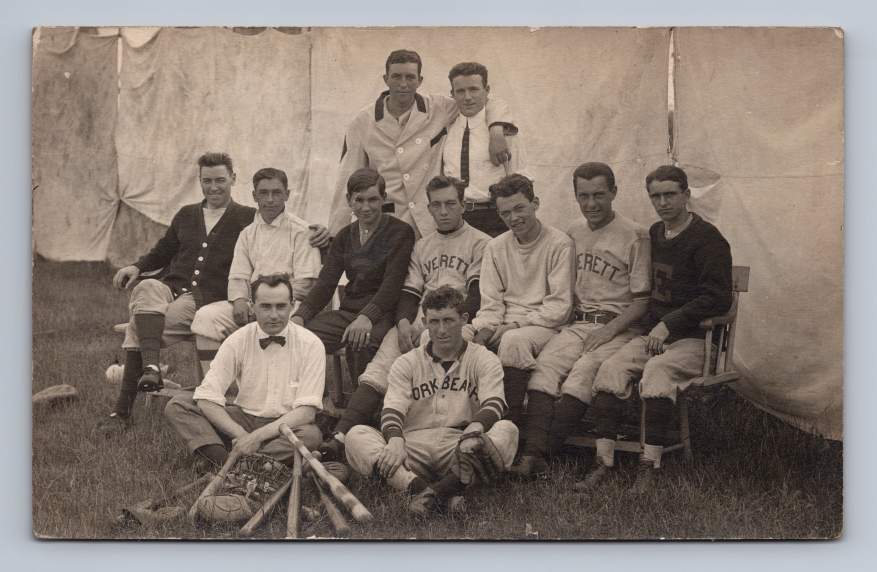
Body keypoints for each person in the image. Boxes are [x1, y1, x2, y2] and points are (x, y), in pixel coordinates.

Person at [576, 165, 732, 492]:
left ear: (686, 195)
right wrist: (657, 327)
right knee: (610, 368)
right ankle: (603, 461)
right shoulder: (655, 235)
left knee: (658, 372)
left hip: (694, 339)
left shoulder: (708, 239)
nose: (663, 203)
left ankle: (650, 465)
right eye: (656, 196)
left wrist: (669, 323)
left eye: (670, 195)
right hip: (655, 336)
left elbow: (718, 297)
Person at [319, 175, 490, 461]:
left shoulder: (481, 243)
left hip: (457, 321)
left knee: (422, 348)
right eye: (436, 205)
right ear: (429, 208)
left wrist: (449, 323)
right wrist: (402, 323)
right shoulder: (423, 245)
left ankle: (414, 431)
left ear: (463, 206)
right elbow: (409, 293)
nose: (444, 211)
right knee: (381, 364)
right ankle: (341, 434)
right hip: (422, 319)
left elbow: (475, 296)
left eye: (450, 204)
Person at [96, 152, 256, 434]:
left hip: (207, 298)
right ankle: (153, 370)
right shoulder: (186, 214)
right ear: (200, 181)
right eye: (207, 181)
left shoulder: (247, 217)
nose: (214, 187)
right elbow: (163, 251)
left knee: (138, 326)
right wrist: (136, 266)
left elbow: (279, 224)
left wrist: (315, 232)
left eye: (220, 180)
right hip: (171, 289)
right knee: (146, 286)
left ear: (233, 178)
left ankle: (123, 410)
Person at [511, 162, 651, 478]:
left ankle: (542, 453)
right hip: (578, 323)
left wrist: (609, 331)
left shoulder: (635, 234)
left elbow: (642, 301)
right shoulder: (572, 231)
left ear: (614, 192)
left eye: (599, 195)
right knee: (545, 368)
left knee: (583, 373)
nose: (591, 204)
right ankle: (532, 455)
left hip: (620, 325)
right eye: (583, 196)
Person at [344, 286, 519, 516]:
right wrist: (395, 441)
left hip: (460, 445)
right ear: (425, 322)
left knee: (508, 430)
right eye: (434, 322)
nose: (442, 330)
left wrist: (475, 429)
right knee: (356, 436)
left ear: (464, 319)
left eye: (449, 320)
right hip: (413, 445)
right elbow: (393, 409)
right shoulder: (407, 362)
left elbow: (494, 403)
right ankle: (439, 493)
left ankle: (429, 495)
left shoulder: (483, 358)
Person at [328, 49, 517, 239]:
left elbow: (484, 101)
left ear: (420, 80)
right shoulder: (362, 122)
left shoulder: (438, 108)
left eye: (410, 77)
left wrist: (496, 130)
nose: (403, 84)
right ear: (385, 79)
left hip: (430, 223)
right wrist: (334, 236)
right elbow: (347, 180)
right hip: (387, 223)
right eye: (396, 77)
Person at [164, 273, 324, 469]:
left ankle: (225, 463)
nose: (274, 315)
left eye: (281, 306)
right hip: (244, 419)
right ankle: (240, 463)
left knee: (311, 436)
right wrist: (242, 435)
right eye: (265, 306)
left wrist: (256, 438)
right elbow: (207, 397)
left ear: (292, 306)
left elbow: (306, 413)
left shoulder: (311, 344)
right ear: (252, 307)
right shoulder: (238, 340)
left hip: (287, 426)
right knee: (179, 404)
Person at [189, 167, 322, 374]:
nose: (270, 200)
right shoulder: (247, 233)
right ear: (254, 196)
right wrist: (241, 301)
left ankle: (269, 383)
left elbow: (306, 284)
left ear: (287, 194)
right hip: (254, 303)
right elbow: (238, 275)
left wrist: (267, 303)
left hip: (288, 304)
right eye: (263, 193)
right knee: (206, 317)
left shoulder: (301, 231)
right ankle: (217, 386)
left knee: (272, 318)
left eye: (276, 193)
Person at [292, 168, 416, 386]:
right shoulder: (343, 236)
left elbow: (392, 285)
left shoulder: (400, 232)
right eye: (359, 200)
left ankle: (365, 408)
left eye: (373, 200)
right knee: (301, 338)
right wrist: (300, 316)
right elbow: (326, 283)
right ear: (349, 200)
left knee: (362, 341)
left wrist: (367, 317)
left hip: (383, 314)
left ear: (384, 199)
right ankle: (313, 400)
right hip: (348, 313)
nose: (366, 207)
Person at [471, 174, 575, 427]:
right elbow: (491, 302)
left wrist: (515, 326)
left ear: (535, 203)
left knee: (513, 341)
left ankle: (511, 423)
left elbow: (559, 306)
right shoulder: (496, 247)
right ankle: (457, 420)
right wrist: (484, 329)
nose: (513, 218)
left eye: (520, 208)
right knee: (453, 336)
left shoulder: (559, 243)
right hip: (503, 323)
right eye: (505, 213)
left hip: (544, 326)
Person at [442, 61, 531, 237]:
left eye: (474, 89)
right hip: (458, 218)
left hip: (494, 216)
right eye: (460, 91)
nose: (467, 97)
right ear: (452, 94)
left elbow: (522, 179)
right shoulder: (446, 128)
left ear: (487, 90)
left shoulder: (505, 131)